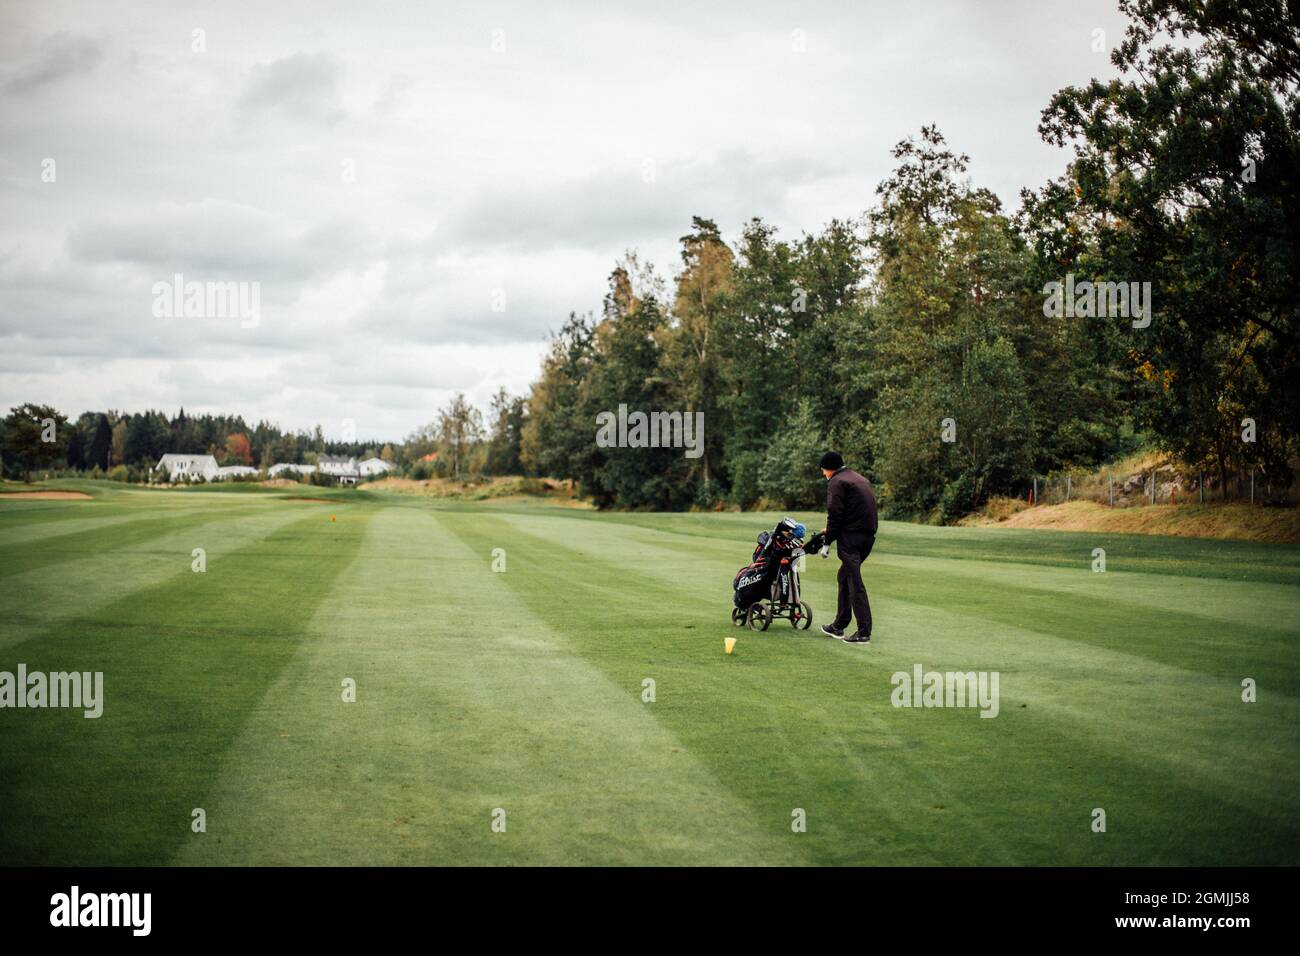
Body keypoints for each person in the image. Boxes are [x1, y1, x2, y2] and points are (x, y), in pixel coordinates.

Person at [817, 451, 877, 646]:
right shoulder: (859, 479)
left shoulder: (836, 482)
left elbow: (834, 514)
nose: (823, 474)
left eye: (823, 470)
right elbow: (853, 511)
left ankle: (863, 632)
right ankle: (839, 624)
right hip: (867, 538)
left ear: (829, 468)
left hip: (851, 539)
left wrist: (827, 542)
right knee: (844, 576)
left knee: (853, 580)